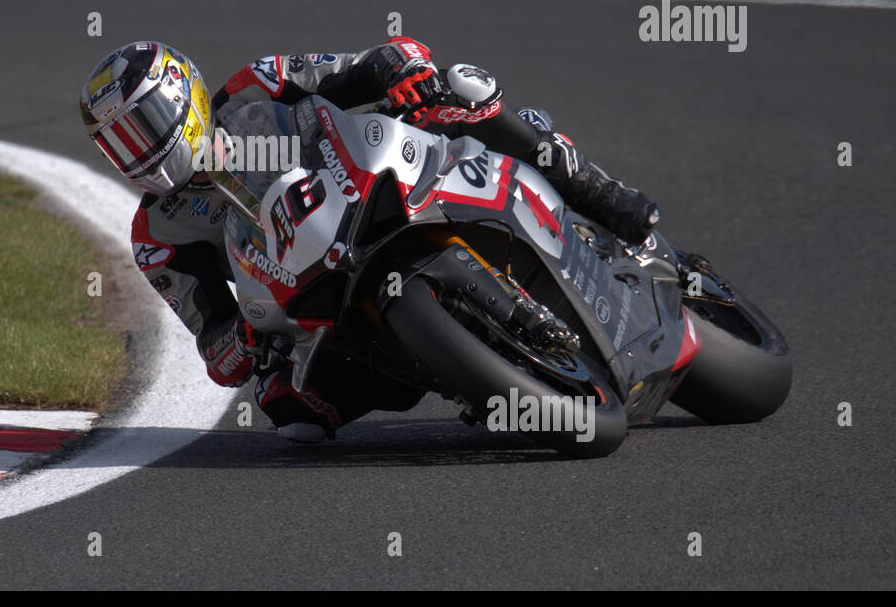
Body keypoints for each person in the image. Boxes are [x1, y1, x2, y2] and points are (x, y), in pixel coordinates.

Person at [80, 38, 660, 441]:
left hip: (373, 180)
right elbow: (214, 350)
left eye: (145, 123)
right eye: (121, 144)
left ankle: (602, 194)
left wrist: (404, 75)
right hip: (305, 286)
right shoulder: (156, 235)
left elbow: (365, 62)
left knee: (466, 94)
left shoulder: (255, 85)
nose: (141, 150)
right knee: (289, 409)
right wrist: (246, 337)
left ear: (182, 94)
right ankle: (467, 376)